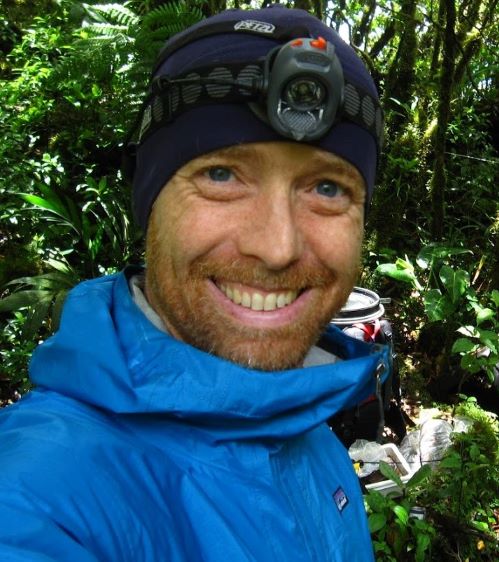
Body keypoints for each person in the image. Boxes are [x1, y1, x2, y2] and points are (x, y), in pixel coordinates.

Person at [0, 5, 388, 561]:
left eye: (327, 188)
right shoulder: (35, 502)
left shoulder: (306, 427)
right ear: (149, 201)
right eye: (221, 175)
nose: (277, 247)